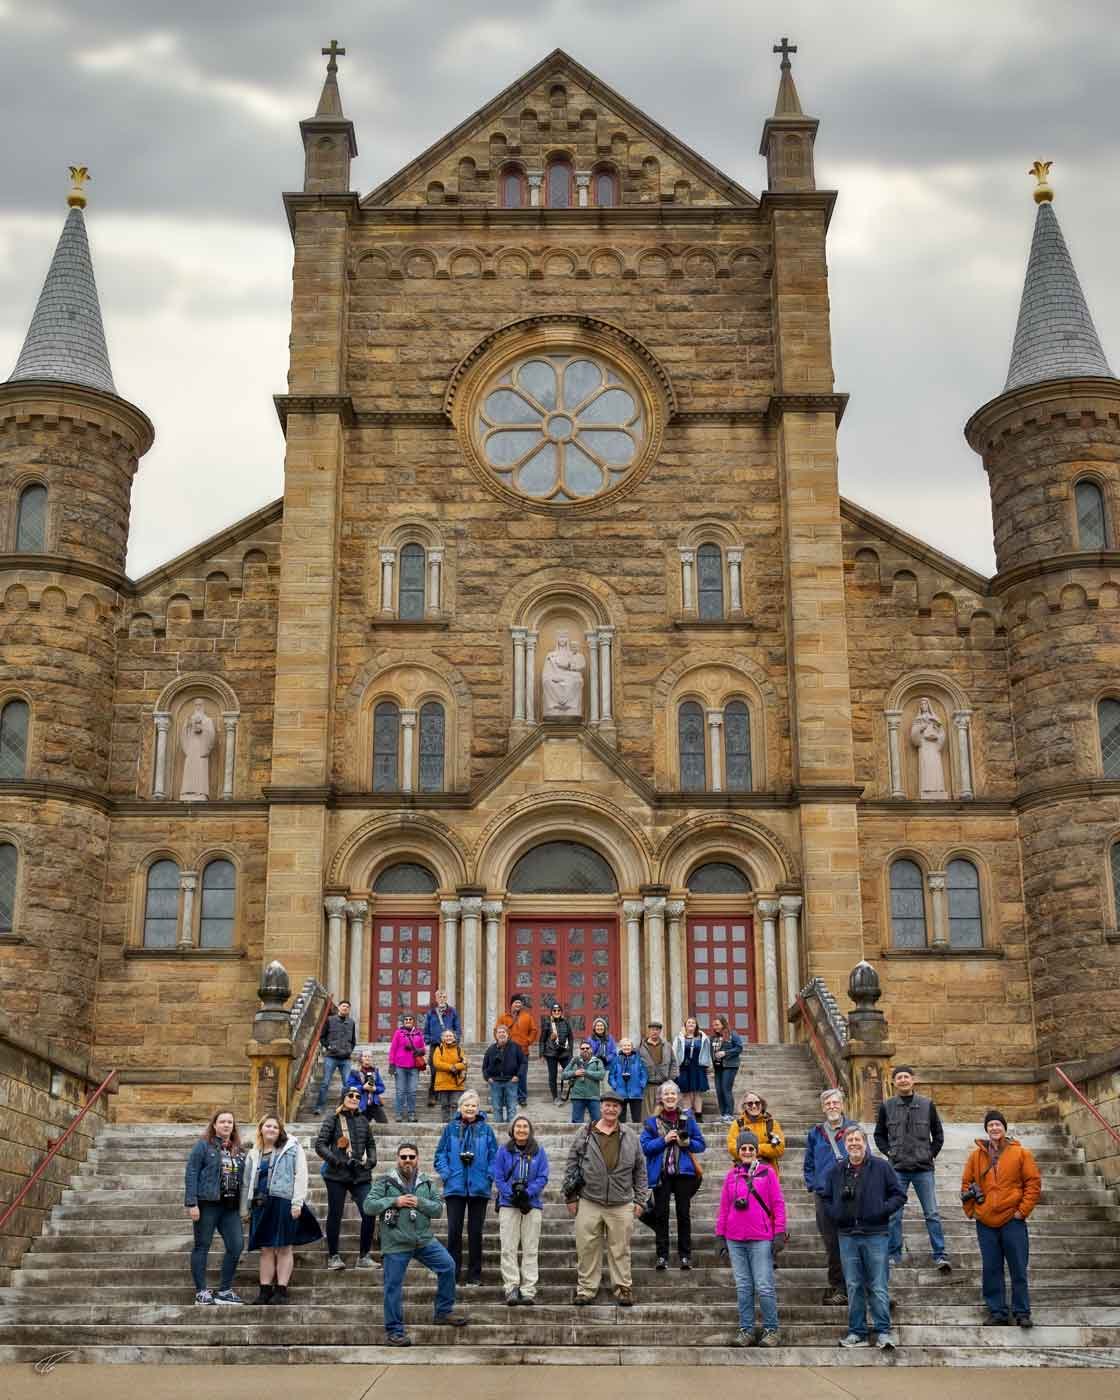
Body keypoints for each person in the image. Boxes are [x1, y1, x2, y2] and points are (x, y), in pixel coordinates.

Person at [362, 1140, 468, 1346]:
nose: (407, 1160)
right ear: (397, 1159)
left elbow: (437, 1209)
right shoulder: (384, 1181)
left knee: (448, 1266)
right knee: (393, 1286)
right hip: (396, 1242)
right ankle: (394, 1331)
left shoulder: (426, 1182)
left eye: (411, 1157)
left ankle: (443, 1312)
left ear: (418, 1159)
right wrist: (394, 1201)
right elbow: (368, 1205)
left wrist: (420, 1203)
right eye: (404, 1157)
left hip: (423, 1240)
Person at [564, 1090, 648, 1307]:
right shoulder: (585, 1132)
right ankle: (586, 1289)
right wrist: (571, 1197)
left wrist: (640, 1200)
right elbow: (571, 1164)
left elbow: (640, 1170)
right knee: (587, 1247)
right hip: (589, 1200)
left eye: (615, 1106)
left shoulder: (630, 1135)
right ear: (601, 1107)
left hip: (621, 1202)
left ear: (621, 1110)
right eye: (607, 1105)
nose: (611, 1109)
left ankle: (623, 1288)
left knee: (620, 1248)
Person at [825, 1126, 905, 1351]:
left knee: (878, 1285)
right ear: (845, 1144)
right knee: (853, 1285)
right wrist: (837, 1214)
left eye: (857, 1139)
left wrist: (882, 1209)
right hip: (848, 1236)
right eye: (849, 1140)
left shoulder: (881, 1167)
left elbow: (899, 1194)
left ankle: (883, 1332)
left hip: (876, 1234)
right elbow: (826, 1197)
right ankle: (857, 1332)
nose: (853, 1143)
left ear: (865, 1142)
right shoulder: (837, 1171)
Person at [961, 1109, 1041, 1328]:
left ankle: (1022, 1312)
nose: (994, 1128)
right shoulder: (976, 1155)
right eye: (990, 1125)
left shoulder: (1021, 1153)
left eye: (998, 1124)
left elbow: (1033, 1184)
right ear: (986, 1129)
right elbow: (966, 1184)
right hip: (986, 1221)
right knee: (991, 1268)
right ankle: (997, 1312)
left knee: (1018, 1267)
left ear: (1004, 1128)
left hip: (1012, 1219)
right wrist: (973, 1211)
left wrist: (1021, 1211)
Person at [874, 1065, 951, 1273]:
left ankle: (940, 1254)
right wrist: (889, 1153)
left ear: (913, 1080)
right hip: (897, 1169)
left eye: (906, 1077)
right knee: (894, 1215)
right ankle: (893, 1255)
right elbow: (878, 1135)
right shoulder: (887, 1106)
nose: (903, 1080)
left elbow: (939, 1135)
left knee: (932, 1213)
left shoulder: (927, 1104)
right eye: (899, 1077)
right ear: (893, 1082)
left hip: (923, 1168)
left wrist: (929, 1154)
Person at [715, 1129, 788, 1347]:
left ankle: (771, 1329)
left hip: (760, 1237)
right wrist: (720, 1235)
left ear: (757, 1152)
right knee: (744, 1286)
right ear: (738, 1152)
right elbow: (724, 1207)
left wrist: (779, 1232)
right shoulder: (732, 1175)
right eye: (743, 1148)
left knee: (764, 1285)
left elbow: (778, 1204)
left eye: (751, 1149)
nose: (747, 1152)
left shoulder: (767, 1173)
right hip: (735, 1238)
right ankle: (746, 1329)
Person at [240, 1114, 322, 1305]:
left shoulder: (292, 1147)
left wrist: (297, 1203)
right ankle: (265, 1290)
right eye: (267, 1126)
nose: (271, 1130)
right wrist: (244, 1208)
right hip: (261, 1203)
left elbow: (301, 1175)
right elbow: (246, 1182)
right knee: (266, 1248)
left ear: (280, 1131)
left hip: (284, 1201)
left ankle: (282, 1290)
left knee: (284, 1247)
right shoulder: (254, 1153)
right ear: (261, 1129)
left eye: (275, 1127)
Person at [433, 1090, 498, 1286]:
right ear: (460, 1107)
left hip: (479, 1187)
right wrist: (447, 1174)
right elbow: (440, 1155)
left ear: (478, 1108)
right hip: (455, 1187)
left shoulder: (487, 1130)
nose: (470, 1108)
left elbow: (495, 1157)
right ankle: (452, 1274)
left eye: (474, 1105)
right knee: (454, 1232)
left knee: (476, 1232)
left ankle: (474, 1274)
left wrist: (488, 1176)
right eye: (467, 1105)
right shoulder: (450, 1128)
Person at [640, 1081, 706, 1271]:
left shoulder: (688, 1118)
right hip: (661, 1174)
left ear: (678, 1097)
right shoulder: (651, 1122)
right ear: (661, 1097)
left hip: (684, 1174)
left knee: (683, 1214)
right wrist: (664, 1140)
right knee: (661, 1215)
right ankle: (662, 1256)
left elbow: (701, 1144)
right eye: (666, 1094)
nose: (669, 1097)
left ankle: (685, 1256)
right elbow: (645, 1148)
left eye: (673, 1094)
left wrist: (686, 1142)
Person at [803, 1086, 860, 1305]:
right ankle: (838, 1287)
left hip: (851, 1194)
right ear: (823, 1107)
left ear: (842, 1105)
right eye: (827, 1104)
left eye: (835, 1102)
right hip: (825, 1196)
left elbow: (866, 1159)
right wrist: (813, 1185)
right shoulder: (816, 1133)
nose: (832, 1106)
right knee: (831, 1243)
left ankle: (859, 1285)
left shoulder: (854, 1130)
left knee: (854, 1240)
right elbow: (808, 1163)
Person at [184, 1108, 245, 1305]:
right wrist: (192, 1203)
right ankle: (201, 1292)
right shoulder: (203, 1146)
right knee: (202, 1246)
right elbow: (191, 1172)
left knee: (236, 1246)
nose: (227, 1125)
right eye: (223, 1121)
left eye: (230, 1122)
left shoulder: (238, 1150)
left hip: (230, 1207)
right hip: (207, 1203)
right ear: (215, 1125)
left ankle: (225, 1290)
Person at [315, 1088, 377, 1271]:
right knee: (335, 1213)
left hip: (360, 1174)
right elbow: (320, 1145)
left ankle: (364, 1256)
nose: (355, 1098)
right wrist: (335, 1160)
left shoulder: (363, 1120)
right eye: (351, 1095)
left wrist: (372, 1161)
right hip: (336, 1174)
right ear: (343, 1098)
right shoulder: (332, 1119)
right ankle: (333, 1255)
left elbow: (371, 1145)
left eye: (358, 1096)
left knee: (369, 1211)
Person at [493, 1114, 550, 1305]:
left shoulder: (539, 1151)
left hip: (531, 1205)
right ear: (512, 1129)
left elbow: (543, 1176)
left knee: (530, 1248)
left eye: (525, 1126)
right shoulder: (503, 1150)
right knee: (508, 1248)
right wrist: (512, 1195)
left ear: (530, 1130)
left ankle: (528, 1289)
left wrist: (528, 1193)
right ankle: (511, 1287)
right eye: (518, 1126)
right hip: (509, 1205)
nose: (522, 1130)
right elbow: (498, 1177)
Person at [726, 1089, 785, 1168]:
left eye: (757, 1103)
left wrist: (751, 1149)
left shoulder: (772, 1123)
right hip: (743, 1173)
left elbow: (779, 1149)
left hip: (768, 1173)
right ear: (744, 1106)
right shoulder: (737, 1124)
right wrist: (766, 1148)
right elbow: (732, 1148)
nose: (754, 1106)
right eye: (750, 1104)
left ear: (762, 1104)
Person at [496, 996, 539, 1107]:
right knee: (507, 1075)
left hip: (522, 1051)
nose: (518, 1005)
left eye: (520, 1003)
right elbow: (496, 1030)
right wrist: (500, 1042)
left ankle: (522, 1097)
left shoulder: (527, 1017)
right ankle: (507, 1097)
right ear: (511, 1004)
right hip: (507, 1051)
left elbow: (534, 1030)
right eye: (516, 1002)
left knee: (522, 1075)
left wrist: (528, 1041)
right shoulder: (504, 1017)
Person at [316, 999, 356, 1113]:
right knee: (325, 1083)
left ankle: (345, 1107)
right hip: (331, 1057)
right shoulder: (330, 1020)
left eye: (347, 1007)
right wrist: (328, 1046)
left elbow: (353, 1040)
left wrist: (349, 1050)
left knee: (347, 1085)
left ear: (349, 1010)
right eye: (343, 1006)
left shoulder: (351, 1022)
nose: (345, 1008)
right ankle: (319, 1107)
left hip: (345, 1059)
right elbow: (322, 1036)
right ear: (339, 1007)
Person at [423, 990, 461, 1108]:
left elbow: (457, 1028)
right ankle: (432, 1095)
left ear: (446, 998)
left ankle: (448, 1096)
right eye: (440, 997)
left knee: (449, 1070)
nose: (442, 998)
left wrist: (455, 1039)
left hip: (449, 1046)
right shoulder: (431, 1013)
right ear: (436, 998)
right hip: (435, 1046)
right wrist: (429, 1039)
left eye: (444, 996)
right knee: (434, 1070)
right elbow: (426, 1030)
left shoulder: (452, 1012)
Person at [482, 1024, 526, 1124]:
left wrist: (518, 1076)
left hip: (511, 1081)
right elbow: (484, 1066)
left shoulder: (516, 1047)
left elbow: (523, 1063)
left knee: (512, 1107)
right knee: (497, 1108)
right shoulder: (491, 1049)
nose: (501, 1034)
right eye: (499, 1032)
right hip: (495, 1082)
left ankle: (512, 1130)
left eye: (503, 1032)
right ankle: (498, 1128)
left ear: (508, 1034)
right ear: (496, 1035)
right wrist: (487, 1077)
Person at [388, 1012, 426, 1123]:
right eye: (406, 1020)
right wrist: (391, 1064)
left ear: (413, 1021)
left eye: (410, 1019)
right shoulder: (398, 1033)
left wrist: (418, 1050)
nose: (408, 1021)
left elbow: (423, 1049)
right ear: (403, 1022)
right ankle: (399, 1113)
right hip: (400, 1066)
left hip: (414, 1066)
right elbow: (393, 1049)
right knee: (400, 1091)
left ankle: (411, 1113)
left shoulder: (419, 1033)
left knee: (412, 1091)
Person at [672, 1016, 712, 1122]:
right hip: (684, 1067)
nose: (691, 1024)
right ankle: (688, 1115)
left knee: (697, 1092)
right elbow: (674, 1053)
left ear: (696, 1026)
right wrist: (675, 1067)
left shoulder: (703, 1038)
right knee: (686, 1092)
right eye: (689, 1022)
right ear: (685, 1025)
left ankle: (698, 1116)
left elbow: (707, 1053)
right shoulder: (679, 1038)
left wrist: (709, 1066)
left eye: (693, 1023)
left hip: (698, 1067)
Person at [639, 1022, 679, 1119]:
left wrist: (671, 1078)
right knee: (648, 1113)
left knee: (663, 1112)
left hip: (663, 1084)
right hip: (648, 1084)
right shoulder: (641, 1046)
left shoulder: (667, 1045)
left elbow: (673, 1062)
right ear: (649, 1031)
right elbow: (636, 1065)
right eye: (652, 1029)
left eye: (657, 1030)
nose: (654, 1032)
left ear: (660, 1031)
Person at [709, 1015, 743, 1124]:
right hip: (718, 1067)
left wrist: (725, 1053)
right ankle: (723, 1114)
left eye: (717, 1025)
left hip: (730, 1065)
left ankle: (729, 1114)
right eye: (714, 1025)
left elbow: (739, 1047)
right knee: (719, 1090)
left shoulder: (732, 1034)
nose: (715, 1027)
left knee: (725, 1088)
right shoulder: (713, 1037)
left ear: (723, 1024)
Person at [562, 1040, 606, 1124]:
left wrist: (586, 1072)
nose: (585, 1050)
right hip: (577, 1096)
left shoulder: (597, 1061)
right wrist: (574, 1073)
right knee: (577, 1123)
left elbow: (601, 1075)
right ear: (580, 1050)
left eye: (587, 1048)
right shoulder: (574, 1060)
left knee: (597, 1123)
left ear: (591, 1049)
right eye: (582, 1048)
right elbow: (563, 1075)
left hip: (593, 1096)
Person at [539, 1002, 573, 1104]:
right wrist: (541, 1054)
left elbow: (571, 1038)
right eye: (554, 1011)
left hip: (564, 1052)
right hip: (551, 1053)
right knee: (552, 1076)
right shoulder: (547, 1023)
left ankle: (568, 1093)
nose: (556, 1012)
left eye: (558, 1010)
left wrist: (570, 1052)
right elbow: (542, 1040)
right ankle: (555, 1097)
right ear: (551, 1012)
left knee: (572, 1073)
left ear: (561, 1012)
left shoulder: (566, 1022)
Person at [432, 1029, 469, 1123]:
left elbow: (464, 1063)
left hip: (456, 1083)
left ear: (454, 1037)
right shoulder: (439, 1049)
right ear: (443, 1038)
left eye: (450, 1036)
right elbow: (437, 1063)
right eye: (446, 1036)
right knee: (444, 1104)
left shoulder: (459, 1049)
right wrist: (450, 1067)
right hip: (442, 1082)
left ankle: (454, 1123)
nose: (448, 1038)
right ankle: (445, 1123)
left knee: (455, 1104)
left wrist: (455, 1067)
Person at [608, 1037, 648, 1121]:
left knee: (637, 1118)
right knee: (621, 1119)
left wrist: (642, 1085)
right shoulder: (616, 1060)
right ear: (621, 1047)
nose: (626, 1047)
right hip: (620, 1092)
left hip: (636, 1092)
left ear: (632, 1047)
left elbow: (644, 1074)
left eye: (628, 1045)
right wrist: (614, 1085)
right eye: (624, 1046)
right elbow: (611, 1075)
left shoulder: (638, 1059)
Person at [344, 1050, 387, 1124]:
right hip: (360, 1104)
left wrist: (375, 1088)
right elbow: (349, 1086)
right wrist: (363, 1087)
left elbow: (382, 1087)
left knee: (384, 1123)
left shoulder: (375, 1071)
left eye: (369, 1056)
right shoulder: (355, 1071)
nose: (367, 1058)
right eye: (365, 1056)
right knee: (361, 1126)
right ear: (361, 1058)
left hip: (374, 1103)